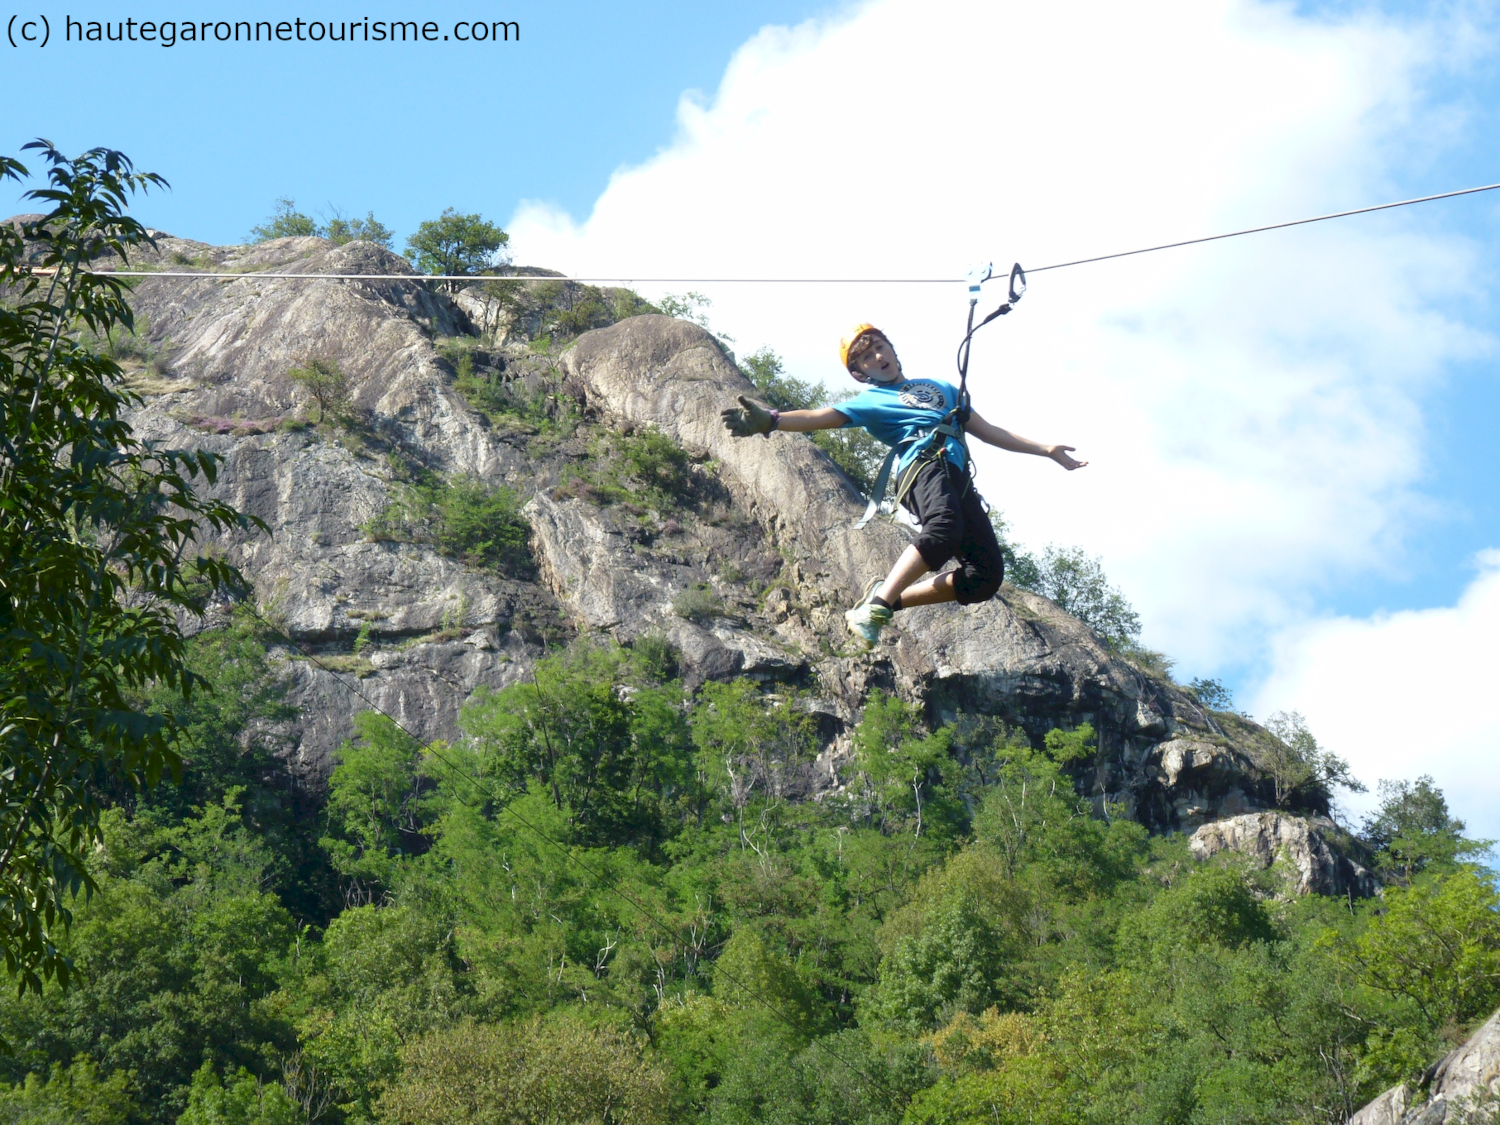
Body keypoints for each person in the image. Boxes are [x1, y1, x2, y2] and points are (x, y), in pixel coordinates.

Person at [720, 323, 1086, 649]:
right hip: (923, 466)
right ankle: (878, 609)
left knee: (985, 577)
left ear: (893, 349)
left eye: (879, 346)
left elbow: (988, 431)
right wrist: (771, 420)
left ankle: (884, 600)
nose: (876, 356)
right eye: (864, 357)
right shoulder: (871, 401)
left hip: (958, 477)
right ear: (860, 373)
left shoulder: (940, 387)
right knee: (942, 529)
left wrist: (1045, 449)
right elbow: (821, 417)